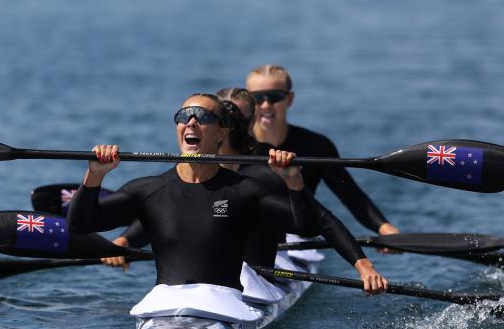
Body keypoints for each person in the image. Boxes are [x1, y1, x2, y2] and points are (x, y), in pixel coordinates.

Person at [68, 93, 322, 293]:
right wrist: (95, 175)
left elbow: (307, 226)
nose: (191, 121)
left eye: (203, 116)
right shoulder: (148, 189)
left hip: (226, 304)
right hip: (165, 304)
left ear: (222, 133)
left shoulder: (244, 191)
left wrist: (293, 181)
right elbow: (80, 224)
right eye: (184, 115)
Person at [216, 89, 388, 293]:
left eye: (236, 118)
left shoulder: (264, 170)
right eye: (221, 119)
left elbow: (322, 220)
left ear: (252, 121)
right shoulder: (192, 170)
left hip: (258, 272)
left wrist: (364, 267)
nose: (230, 125)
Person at [246, 65, 400, 237]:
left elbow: (351, 195)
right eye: (257, 98)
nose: (266, 105)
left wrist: (385, 229)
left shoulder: (315, 145)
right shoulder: (237, 146)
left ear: (289, 99)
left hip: (299, 240)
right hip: (249, 239)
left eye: (275, 97)